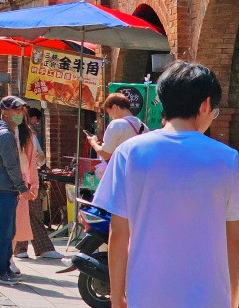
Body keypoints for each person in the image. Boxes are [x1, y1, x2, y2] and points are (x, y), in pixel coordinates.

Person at [93, 61, 239, 308]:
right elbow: (233, 238)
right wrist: (235, 298)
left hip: (147, 294)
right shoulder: (229, 160)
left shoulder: (129, 153)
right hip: (210, 296)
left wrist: (117, 295)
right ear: (205, 105)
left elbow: (118, 232)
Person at [0, 96, 30, 285]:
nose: (20, 115)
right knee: (2, 232)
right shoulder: (5, 135)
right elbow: (11, 165)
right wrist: (22, 187)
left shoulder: (5, 132)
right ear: (5, 112)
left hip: (4, 188)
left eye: (21, 111)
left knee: (7, 232)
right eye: (16, 111)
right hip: (4, 189)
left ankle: (3, 268)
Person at [13, 107, 63, 260]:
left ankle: (42, 247)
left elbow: (38, 159)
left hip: (29, 179)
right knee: (19, 214)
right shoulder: (5, 133)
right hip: (12, 181)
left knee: (33, 213)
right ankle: (18, 248)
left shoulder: (30, 135)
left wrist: (38, 160)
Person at [87, 92, 147, 174]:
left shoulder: (117, 124)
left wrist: (93, 142)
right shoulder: (143, 125)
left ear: (115, 107)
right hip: (140, 172)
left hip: (121, 173)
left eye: (109, 112)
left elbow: (105, 154)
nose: (111, 117)